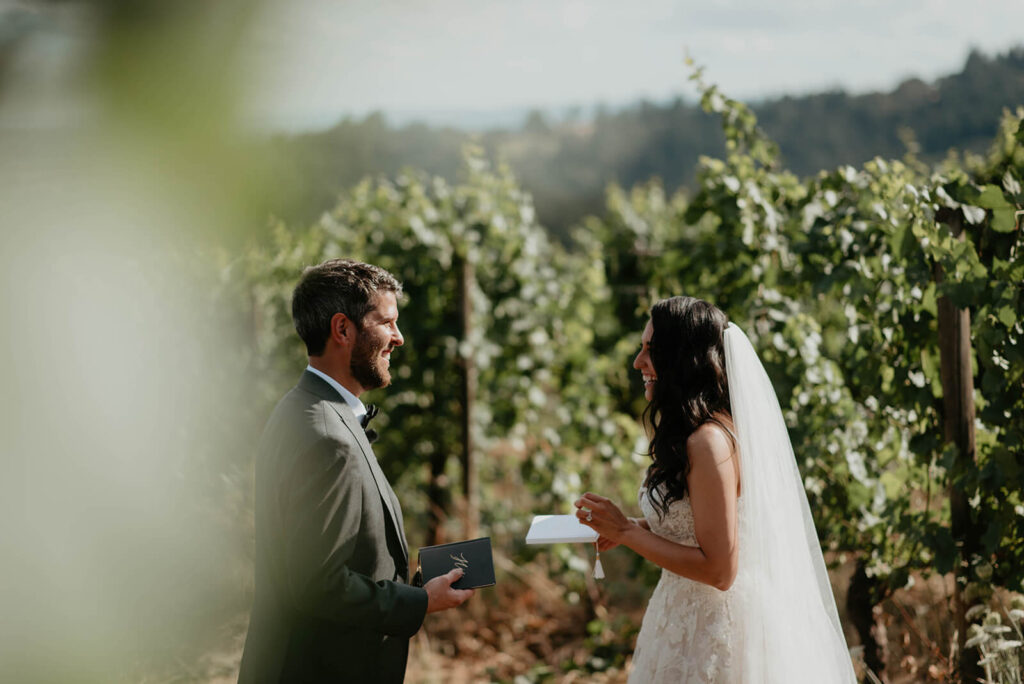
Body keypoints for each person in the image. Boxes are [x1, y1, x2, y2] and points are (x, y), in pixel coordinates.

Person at [575, 296, 856, 683]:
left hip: (715, 634)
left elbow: (720, 569)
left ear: (681, 359)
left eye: (650, 351)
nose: (638, 363)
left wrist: (625, 532)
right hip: (679, 619)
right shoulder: (695, 434)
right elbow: (697, 524)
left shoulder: (708, 442)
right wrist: (631, 529)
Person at [238, 259, 474, 684]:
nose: (399, 339)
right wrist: (420, 604)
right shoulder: (329, 437)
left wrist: (416, 587)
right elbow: (318, 584)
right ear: (343, 330)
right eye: (387, 323)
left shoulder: (301, 408)